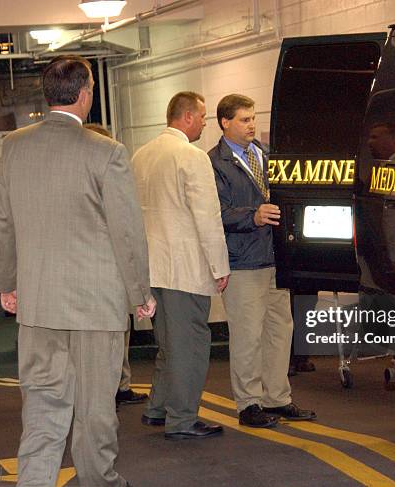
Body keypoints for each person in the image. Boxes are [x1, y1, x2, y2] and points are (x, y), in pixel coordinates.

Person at [0, 55, 154, 487]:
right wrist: (140, 293)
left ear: (47, 96)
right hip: (96, 309)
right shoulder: (108, 151)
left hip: (38, 304)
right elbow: (127, 231)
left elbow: (3, 221)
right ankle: (98, 480)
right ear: (86, 94)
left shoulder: (14, 145)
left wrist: (7, 284)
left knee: (42, 406)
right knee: (94, 410)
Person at [208, 94, 316, 428]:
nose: (252, 124)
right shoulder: (214, 162)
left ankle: (278, 398)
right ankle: (249, 403)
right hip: (243, 262)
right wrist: (252, 216)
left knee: (280, 331)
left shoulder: (266, 155)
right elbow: (215, 214)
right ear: (225, 122)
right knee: (247, 336)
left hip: (276, 259)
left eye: (253, 118)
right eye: (244, 119)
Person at [131, 91, 230, 440]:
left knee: (168, 344)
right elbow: (207, 217)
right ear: (187, 117)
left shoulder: (141, 155)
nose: (205, 123)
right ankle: (183, 419)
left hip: (152, 269)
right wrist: (220, 266)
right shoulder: (191, 157)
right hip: (184, 269)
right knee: (190, 345)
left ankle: (157, 408)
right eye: (202, 117)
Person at [84, 123, 148, 407]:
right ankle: (109, 390)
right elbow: (124, 232)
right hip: (104, 278)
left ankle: (119, 385)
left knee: (121, 332)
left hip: (107, 279)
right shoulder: (100, 184)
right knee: (109, 337)